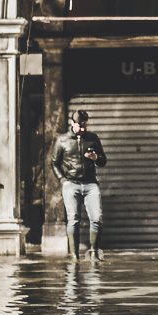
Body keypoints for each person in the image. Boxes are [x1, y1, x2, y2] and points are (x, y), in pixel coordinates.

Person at [51, 110, 109, 260]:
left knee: (97, 218)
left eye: (85, 125)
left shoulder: (93, 138)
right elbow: (54, 163)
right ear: (72, 123)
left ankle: (94, 252)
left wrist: (96, 157)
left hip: (91, 184)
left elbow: (103, 161)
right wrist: (63, 180)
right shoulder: (62, 140)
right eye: (80, 125)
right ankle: (74, 255)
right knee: (74, 219)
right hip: (71, 183)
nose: (83, 129)